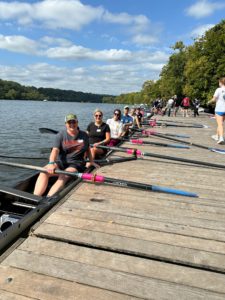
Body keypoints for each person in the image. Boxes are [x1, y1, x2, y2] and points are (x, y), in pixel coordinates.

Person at [34, 114, 96, 197]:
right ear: (65, 124)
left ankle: (48, 199)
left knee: (64, 175)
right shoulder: (61, 135)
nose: (72, 124)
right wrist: (51, 163)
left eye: (74, 122)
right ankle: (35, 197)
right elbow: (55, 150)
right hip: (61, 162)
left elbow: (88, 149)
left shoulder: (84, 135)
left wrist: (91, 162)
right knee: (44, 171)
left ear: (77, 123)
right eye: (69, 122)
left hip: (76, 164)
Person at [208, 77, 225, 144]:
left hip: (219, 109)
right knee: (221, 123)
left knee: (220, 124)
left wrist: (209, 102)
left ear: (221, 82)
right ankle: (217, 136)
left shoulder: (218, 89)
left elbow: (214, 99)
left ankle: (221, 138)